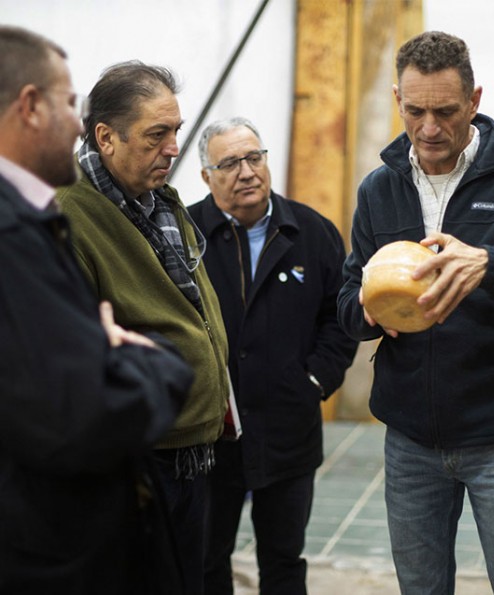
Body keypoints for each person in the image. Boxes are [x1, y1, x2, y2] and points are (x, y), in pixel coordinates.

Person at [336, 31, 494, 594]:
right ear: (397, 100)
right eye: (415, 111)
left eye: (446, 111)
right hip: (410, 440)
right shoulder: (379, 190)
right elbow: (346, 298)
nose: (430, 128)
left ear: (475, 100)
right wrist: (368, 312)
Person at [0, 26, 194, 593]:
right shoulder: (14, 233)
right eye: (67, 102)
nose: (78, 123)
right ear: (30, 107)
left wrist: (100, 348)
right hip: (53, 550)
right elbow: (83, 410)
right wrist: (159, 362)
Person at [55, 60, 231, 594]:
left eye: (176, 131)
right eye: (158, 134)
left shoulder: (156, 201)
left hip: (190, 447)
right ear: (105, 137)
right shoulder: (68, 214)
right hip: (136, 459)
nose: (174, 148)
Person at [189, 117, 358, 594]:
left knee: (283, 561)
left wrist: (315, 382)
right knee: (205, 560)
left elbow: (339, 316)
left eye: (254, 158)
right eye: (229, 163)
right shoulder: (186, 236)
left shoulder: (311, 232)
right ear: (206, 176)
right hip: (210, 435)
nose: (246, 172)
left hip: (288, 427)